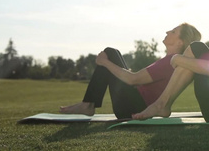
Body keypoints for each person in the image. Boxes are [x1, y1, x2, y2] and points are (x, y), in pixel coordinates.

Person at [59, 23, 201, 119]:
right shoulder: (169, 61)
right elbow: (137, 80)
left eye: (173, 31)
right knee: (113, 53)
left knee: (110, 54)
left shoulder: (169, 62)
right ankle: (88, 104)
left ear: (180, 42)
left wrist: (105, 63)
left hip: (131, 106)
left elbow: (133, 79)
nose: (167, 31)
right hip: (135, 101)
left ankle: (87, 105)